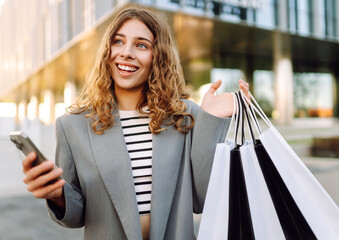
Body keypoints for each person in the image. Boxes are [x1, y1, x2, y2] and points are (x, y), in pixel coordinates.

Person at [22, 7, 249, 240]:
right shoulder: (72, 126)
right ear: (107, 51)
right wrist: (57, 193)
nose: (126, 53)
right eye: (118, 42)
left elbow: (202, 199)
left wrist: (212, 119)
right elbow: (75, 215)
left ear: (158, 57)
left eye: (141, 45)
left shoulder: (185, 116)